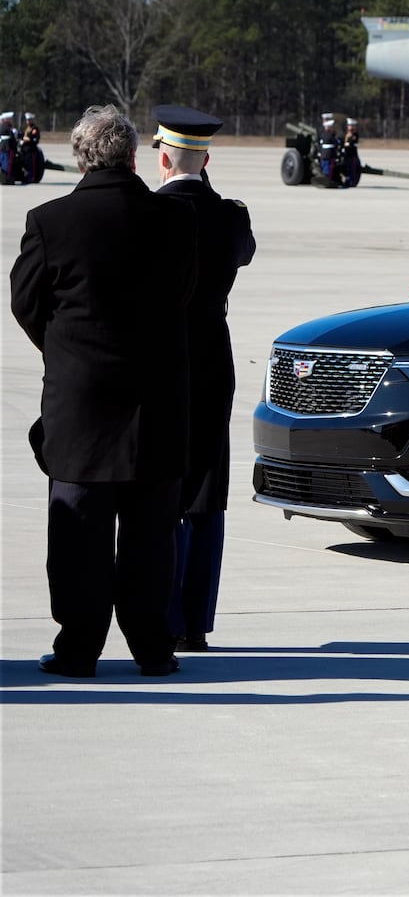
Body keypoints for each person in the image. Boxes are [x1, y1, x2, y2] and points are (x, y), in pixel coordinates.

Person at [9, 105, 197, 678]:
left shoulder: (50, 221)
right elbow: (184, 298)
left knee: (78, 535)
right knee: (150, 535)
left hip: (81, 404)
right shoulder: (176, 221)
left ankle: (79, 648)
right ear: (134, 156)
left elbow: (25, 303)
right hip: (155, 402)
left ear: (81, 156)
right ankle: (152, 648)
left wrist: (65, 349)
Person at [152, 105, 255, 652]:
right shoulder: (231, 217)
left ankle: (162, 616)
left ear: (163, 157)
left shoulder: (148, 214)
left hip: (161, 364)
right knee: (206, 495)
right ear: (207, 159)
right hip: (214, 365)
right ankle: (195, 622)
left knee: (162, 493)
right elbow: (244, 251)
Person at [19, 113, 44, 183]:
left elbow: (32, 138)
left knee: (31, 165)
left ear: (32, 120)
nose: (28, 121)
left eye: (29, 120)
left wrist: (24, 138)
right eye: (27, 120)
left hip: (31, 149)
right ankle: (26, 177)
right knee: (25, 164)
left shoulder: (34, 128)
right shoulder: (27, 128)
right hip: (25, 149)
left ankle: (30, 178)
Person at [317, 112, 340, 184]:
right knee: (328, 167)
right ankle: (327, 179)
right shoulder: (322, 130)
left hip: (324, 153)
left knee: (326, 166)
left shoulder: (328, 132)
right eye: (326, 119)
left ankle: (327, 179)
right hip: (328, 153)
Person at [340, 117, 362, 187]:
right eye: (349, 126)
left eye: (351, 126)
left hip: (352, 155)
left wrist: (345, 144)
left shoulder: (354, 135)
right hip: (347, 155)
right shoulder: (347, 134)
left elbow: (350, 145)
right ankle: (348, 181)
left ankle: (352, 182)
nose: (350, 127)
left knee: (352, 169)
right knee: (347, 169)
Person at [0, 111, 16, 185]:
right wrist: (14, 147)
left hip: (2, 147)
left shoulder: (2, 126)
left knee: (3, 163)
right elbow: (12, 138)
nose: (11, 120)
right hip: (7, 147)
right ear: (7, 119)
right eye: (10, 119)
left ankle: (4, 179)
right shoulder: (7, 126)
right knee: (8, 164)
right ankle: (8, 179)